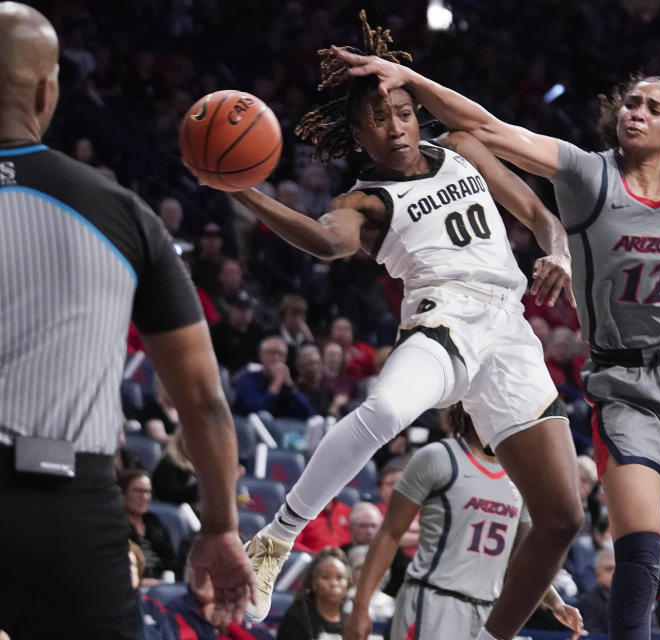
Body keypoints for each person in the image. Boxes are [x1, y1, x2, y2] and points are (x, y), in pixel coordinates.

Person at [332, 47, 660, 640]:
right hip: (625, 384)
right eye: (630, 102)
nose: (636, 112)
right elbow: (485, 127)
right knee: (640, 551)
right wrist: (410, 80)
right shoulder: (584, 172)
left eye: (653, 107)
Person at [189, 14, 583, 639]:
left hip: (509, 330)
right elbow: (322, 241)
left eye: (401, 110)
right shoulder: (363, 202)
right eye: (377, 117)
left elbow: (540, 214)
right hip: (444, 314)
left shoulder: (463, 149)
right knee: (385, 411)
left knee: (563, 518)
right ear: (357, 133)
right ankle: (278, 536)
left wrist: (557, 250)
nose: (395, 125)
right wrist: (242, 190)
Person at [0, 3, 253, 637]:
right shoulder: (120, 213)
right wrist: (220, 525)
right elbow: (202, 400)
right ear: (46, 89)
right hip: (62, 502)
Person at [344, 403, 582, 640]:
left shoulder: (521, 475)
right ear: (471, 408)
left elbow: (519, 554)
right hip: (433, 601)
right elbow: (389, 533)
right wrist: (360, 608)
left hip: (490, 611)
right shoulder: (437, 457)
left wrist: (554, 601)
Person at [277, 548, 352, 640]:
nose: (334, 583)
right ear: (313, 582)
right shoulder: (297, 617)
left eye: (340, 578)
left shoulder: (353, 618)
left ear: (348, 582)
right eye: (326, 577)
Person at [120, 469, 177, 583]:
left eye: (148, 492)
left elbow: (171, 563)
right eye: (139, 491)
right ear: (123, 494)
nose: (145, 497)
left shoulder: (155, 523)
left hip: (162, 586)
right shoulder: (116, 527)